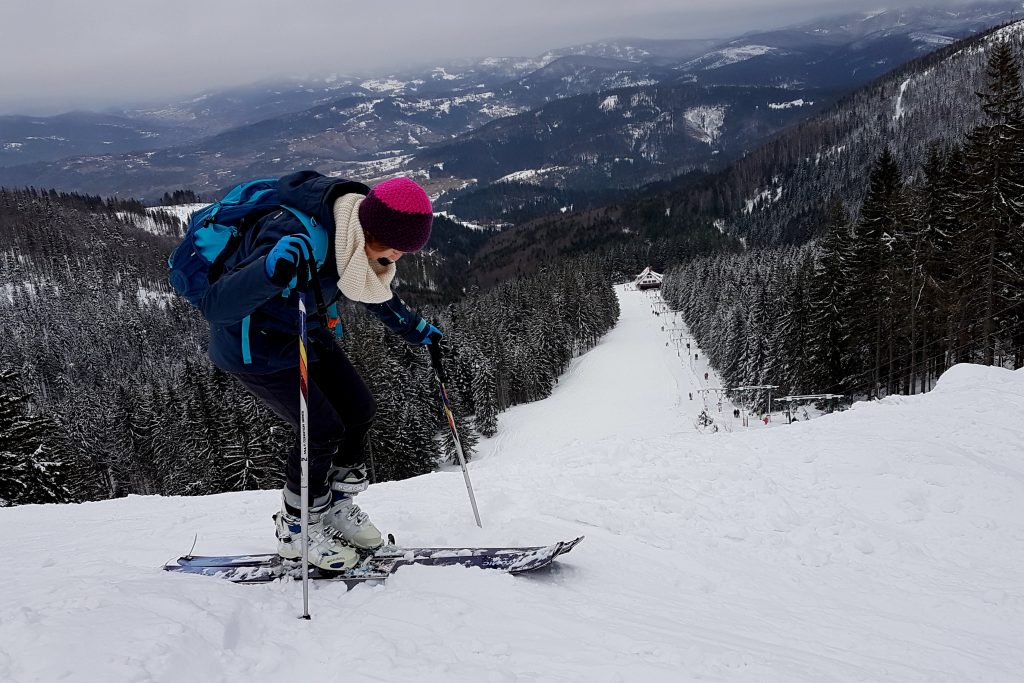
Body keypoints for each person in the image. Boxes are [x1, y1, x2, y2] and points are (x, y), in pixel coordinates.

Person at [199, 170, 441, 571]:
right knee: (322, 428)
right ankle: (297, 529)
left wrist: (415, 329)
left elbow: (368, 288)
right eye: (395, 247)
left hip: (304, 332)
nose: (397, 257)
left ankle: (333, 508)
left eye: (404, 250)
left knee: (359, 409)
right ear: (374, 227)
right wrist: (268, 270)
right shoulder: (296, 236)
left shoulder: (353, 235)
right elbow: (216, 306)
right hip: (254, 348)